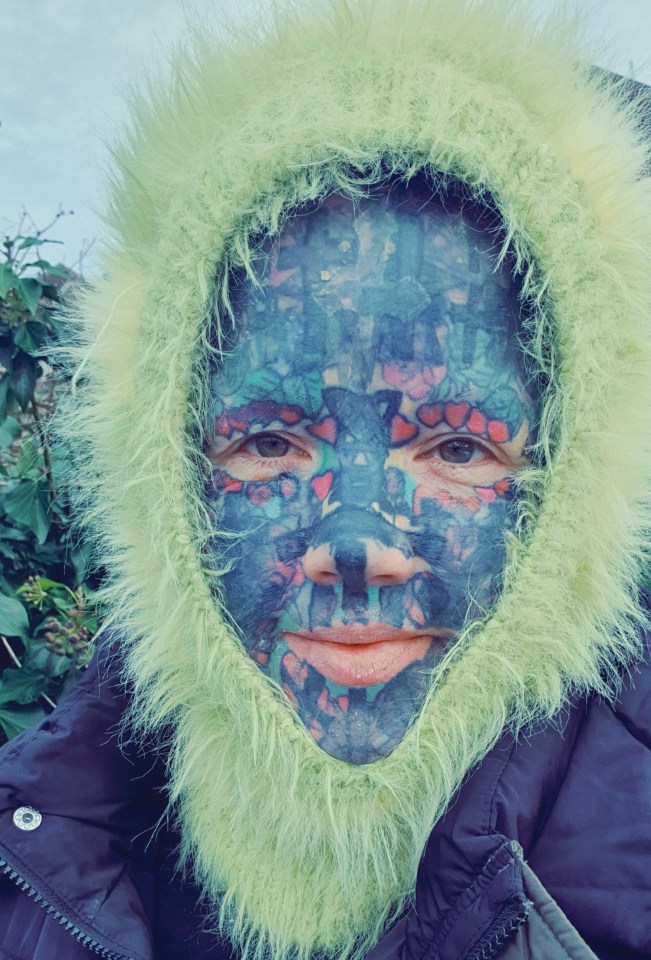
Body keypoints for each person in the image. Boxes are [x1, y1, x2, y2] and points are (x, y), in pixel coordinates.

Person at [0, 1, 650, 958]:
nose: (356, 546)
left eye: (458, 448)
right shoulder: (43, 839)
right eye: (267, 443)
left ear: (566, 483)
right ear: (165, 474)